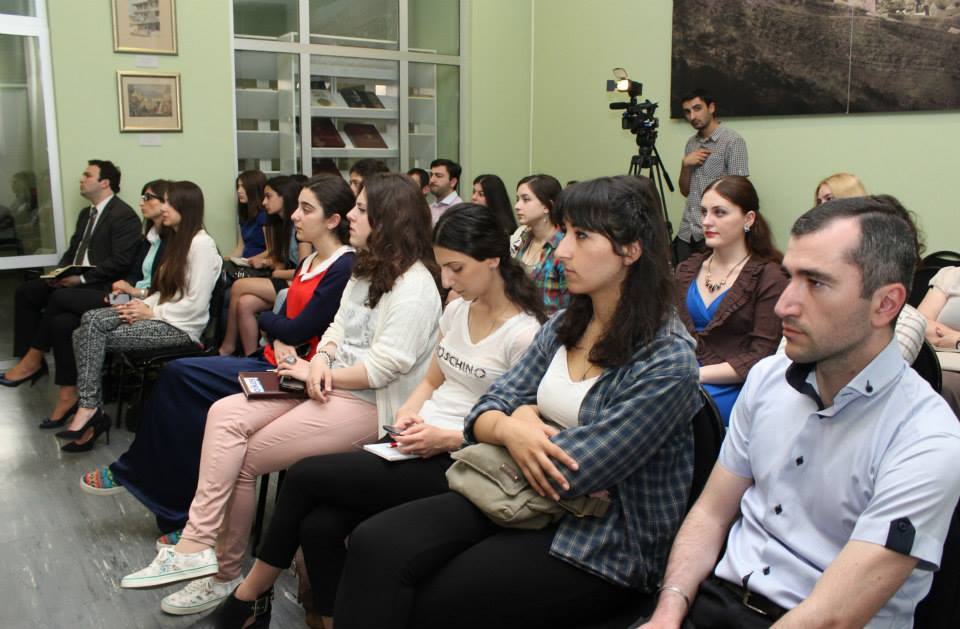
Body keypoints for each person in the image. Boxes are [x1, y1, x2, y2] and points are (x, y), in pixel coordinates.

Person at [303, 175, 702, 629]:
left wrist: (514, 420)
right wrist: (514, 425)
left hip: (600, 537)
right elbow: (485, 409)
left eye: (581, 236)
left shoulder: (668, 360)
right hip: (515, 493)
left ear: (630, 250)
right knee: (375, 543)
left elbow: (572, 471)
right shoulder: (568, 323)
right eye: (565, 233)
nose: (562, 251)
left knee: (435, 595)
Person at [118, 173, 442, 618]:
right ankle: (195, 544)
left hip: (371, 404)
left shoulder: (415, 286)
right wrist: (320, 360)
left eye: (362, 209)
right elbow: (336, 329)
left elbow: (386, 367)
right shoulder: (366, 267)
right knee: (225, 412)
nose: (351, 214)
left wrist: (319, 371)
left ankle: (224, 573)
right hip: (326, 383)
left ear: (390, 219)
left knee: (244, 456)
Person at [211, 203, 547, 628]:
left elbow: (516, 428)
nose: (447, 281)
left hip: (462, 457)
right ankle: (326, 619)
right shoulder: (459, 308)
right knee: (319, 525)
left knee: (304, 474)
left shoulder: (524, 333)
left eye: (457, 269)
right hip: (416, 439)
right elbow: (431, 380)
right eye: (443, 267)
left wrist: (447, 438)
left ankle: (249, 596)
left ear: (493, 260)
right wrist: (407, 412)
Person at [634, 197, 960, 629]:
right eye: (791, 277)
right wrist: (668, 611)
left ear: (885, 304)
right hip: (716, 601)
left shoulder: (927, 439)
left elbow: (832, 616)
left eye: (816, 283)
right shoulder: (768, 379)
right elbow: (712, 513)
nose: (784, 305)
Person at [78, 174, 356, 542]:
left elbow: (296, 325)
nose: (294, 216)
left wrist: (269, 322)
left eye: (306, 210)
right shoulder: (311, 263)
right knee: (178, 380)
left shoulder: (343, 266)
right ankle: (168, 504)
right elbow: (288, 323)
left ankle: (153, 489)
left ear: (332, 220)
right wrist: (278, 330)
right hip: (272, 360)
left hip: (290, 374)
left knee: (183, 381)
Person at [56, 181, 222, 453]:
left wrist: (151, 311)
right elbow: (164, 292)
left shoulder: (202, 245)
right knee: (89, 322)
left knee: (85, 332)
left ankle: (89, 409)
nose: (162, 208)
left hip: (181, 329)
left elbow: (195, 305)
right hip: (161, 316)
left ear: (186, 207)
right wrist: (139, 304)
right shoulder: (178, 241)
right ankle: (90, 409)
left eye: (168, 203)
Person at [5, 180, 170, 429]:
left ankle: (33, 358)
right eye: (142, 197)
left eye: (148, 198)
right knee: (62, 323)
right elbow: (133, 274)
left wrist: (131, 291)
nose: (141, 203)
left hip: (140, 301)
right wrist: (124, 287)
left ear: (168, 203)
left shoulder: (173, 242)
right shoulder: (149, 237)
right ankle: (68, 396)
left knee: (60, 297)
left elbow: (162, 290)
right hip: (127, 295)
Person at [5, 160, 141, 388]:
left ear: (104, 183)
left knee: (62, 318)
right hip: (75, 277)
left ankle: (36, 364)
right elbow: (73, 251)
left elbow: (121, 262)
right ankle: (28, 359)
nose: (81, 179)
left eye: (87, 175)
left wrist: (81, 279)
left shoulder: (123, 215)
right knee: (27, 292)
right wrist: (58, 274)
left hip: (100, 284)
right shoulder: (86, 213)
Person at [675, 176, 786, 424]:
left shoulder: (769, 277)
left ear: (748, 219)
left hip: (733, 387)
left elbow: (761, 356)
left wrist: (694, 374)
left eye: (719, 212)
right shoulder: (687, 269)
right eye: (704, 212)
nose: (706, 221)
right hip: (680, 376)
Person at [218, 175, 310, 356]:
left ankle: (226, 348)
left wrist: (277, 273)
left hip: (299, 283)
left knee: (238, 286)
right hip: (287, 279)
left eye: (269, 196)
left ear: (284, 197)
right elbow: (281, 260)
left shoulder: (299, 228)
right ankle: (251, 355)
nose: (264, 202)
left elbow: (303, 270)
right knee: (244, 304)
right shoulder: (280, 225)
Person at [676, 89, 749, 263]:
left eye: (697, 108)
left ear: (711, 108)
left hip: (715, 231)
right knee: (681, 278)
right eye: (687, 112)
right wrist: (685, 166)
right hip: (687, 232)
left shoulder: (733, 141)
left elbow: (740, 192)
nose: (692, 116)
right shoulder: (691, 143)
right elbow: (685, 191)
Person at [510, 173, 569, 314]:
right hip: (520, 319)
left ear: (547, 206)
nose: (517, 206)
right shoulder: (524, 238)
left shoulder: (563, 247)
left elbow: (571, 307)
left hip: (551, 324)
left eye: (526, 199)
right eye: (517, 199)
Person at [917, 266, 960, 417]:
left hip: (953, 371)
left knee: (944, 385)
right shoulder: (951, 275)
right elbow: (920, 323)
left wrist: (956, 340)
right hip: (934, 360)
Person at [224, 170, 267, 264]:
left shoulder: (263, 215)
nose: (239, 191)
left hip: (258, 265)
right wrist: (225, 260)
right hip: (245, 263)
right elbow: (241, 247)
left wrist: (247, 261)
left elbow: (271, 250)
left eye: (243, 187)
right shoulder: (245, 214)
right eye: (238, 186)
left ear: (255, 189)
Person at [428, 158, 463, 224]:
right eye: (431, 175)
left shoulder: (459, 210)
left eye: (438, 176)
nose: (432, 180)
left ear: (453, 182)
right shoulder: (430, 208)